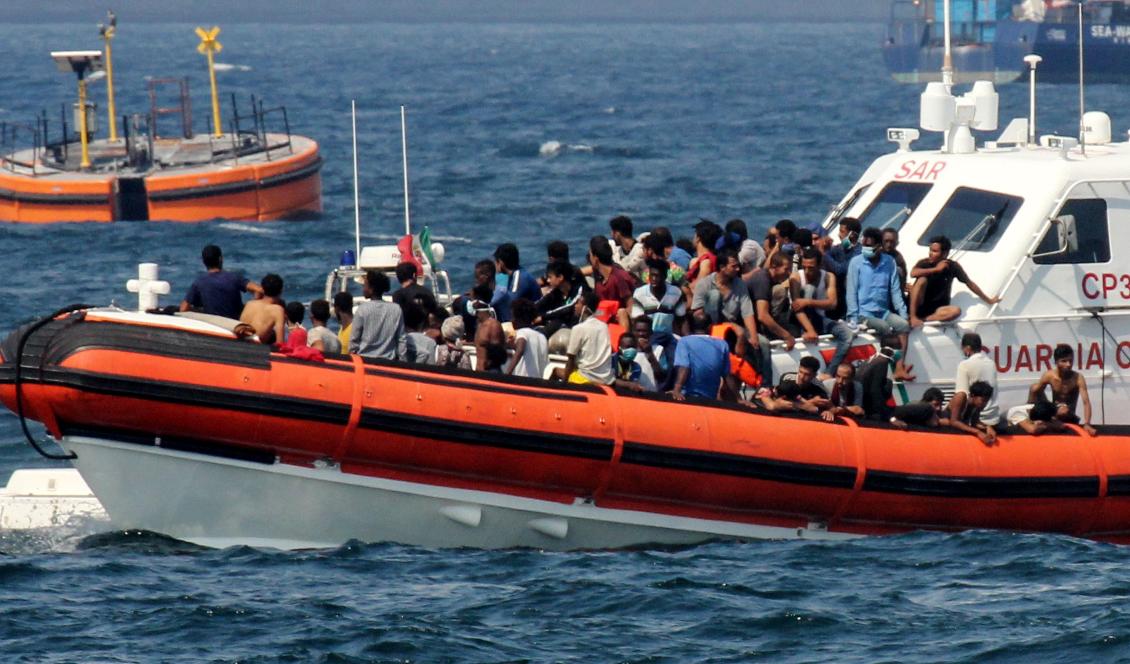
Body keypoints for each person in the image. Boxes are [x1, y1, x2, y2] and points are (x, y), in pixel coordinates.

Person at [909, 235, 1001, 327]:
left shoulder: (953, 266)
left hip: (938, 308)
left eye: (935, 251)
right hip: (921, 305)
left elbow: (969, 283)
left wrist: (989, 300)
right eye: (930, 250)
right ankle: (913, 317)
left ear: (945, 254)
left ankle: (924, 320)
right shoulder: (924, 263)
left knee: (956, 311)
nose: (930, 254)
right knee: (922, 280)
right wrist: (936, 269)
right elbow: (913, 273)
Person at [846, 227, 909, 353]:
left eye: (870, 246)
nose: (866, 249)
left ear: (879, 246)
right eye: (865, 245)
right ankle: (885, 359)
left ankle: (900, 363)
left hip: (883, 311)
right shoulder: (856, 262)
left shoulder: (889, 261)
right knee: (884, 327)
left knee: (903, 325)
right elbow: (851, 291)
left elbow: (895, 291)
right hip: (864, 313)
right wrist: (853, 317)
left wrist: (903, 313)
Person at [790, 247, 854, 372]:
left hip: (819, 318)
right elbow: (797, 307)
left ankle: (830, 371)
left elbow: (832, 303)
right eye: (805, 267)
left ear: (820, 265)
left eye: (811, 267)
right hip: (799, 319)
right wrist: (810, 330)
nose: (807, 271)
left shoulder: (828, 277)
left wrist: (808, 302)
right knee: (809, 289)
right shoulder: (796, 277)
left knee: (847, 335)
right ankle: (806, 332)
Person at [1027, 343, 1097, 435]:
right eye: (1064, 361)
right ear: (1056, 362)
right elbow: (1035, 393)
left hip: (1068, 414)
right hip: (1054, 411)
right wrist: (1031, 411)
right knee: (1034, 388)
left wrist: (1087, 423)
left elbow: (1086, 402)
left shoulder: (1078, 378)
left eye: (1070, 361)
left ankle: (1051, 422)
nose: (1068, 364)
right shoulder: (1049, 375)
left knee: (1063, 411)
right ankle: (1030, 419)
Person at [746, 252, 794, 385]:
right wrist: (786, 336)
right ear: (774, 266)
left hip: (754, 319)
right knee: (764, 344)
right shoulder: (763, 280)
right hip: (744, 323)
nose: (789, 273)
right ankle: (765, 385)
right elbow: (762, 315)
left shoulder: (770, 280)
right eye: (786, 269)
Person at [179, 244, 262, 319]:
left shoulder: (199, 282)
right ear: (221, 259)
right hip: (234, 322)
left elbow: (183, 309)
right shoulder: (234, 278)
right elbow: (259, 290)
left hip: (213, 324)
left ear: (203, 262)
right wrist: (251, 308)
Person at [671, 314, 738, 401]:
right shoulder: (722, 344)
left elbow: (684, 367)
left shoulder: (684, 342)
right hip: (710, 399)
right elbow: (727, 375)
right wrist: (739, 398)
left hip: (687, 397)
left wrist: (676, 390)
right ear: (710, 327)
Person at [559, 290, 614, 385]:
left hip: (586, 378)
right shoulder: (604, 326)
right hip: (605, 379)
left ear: (585, 308)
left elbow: (571, 360)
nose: (575, 306)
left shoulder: (578, 328)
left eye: (578, 303)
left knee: (554, 370)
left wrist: (565, 382)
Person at [949, 332, 1000, 433]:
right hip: (994, 418)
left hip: (976, 418)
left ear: (967, 348)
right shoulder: (991, 363)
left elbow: (961, 394)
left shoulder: (964, 365)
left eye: (962, 348)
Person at [350, 270, 407, 361]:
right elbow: (401, 339)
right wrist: (403, 363)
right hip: (388, 362)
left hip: (365, 361)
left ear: (371, 289)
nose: (363, 289)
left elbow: (354, 341)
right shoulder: (396, 309)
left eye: (365, 285)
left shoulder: (362, 310)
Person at [589, 235, 639, 330]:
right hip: (602, 320)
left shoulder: (619, 277)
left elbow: (631, 306)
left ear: (596, 258)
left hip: (618, 321)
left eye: (590, 254)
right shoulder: (599, 276)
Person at [631, 258, 687, 341]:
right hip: (648, 338)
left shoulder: (676, 293)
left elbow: (682, 320)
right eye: (651, 275)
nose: (653, 279)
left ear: (665, 276)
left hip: (668, 337)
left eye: (657, 276)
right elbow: (638, 321)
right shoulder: (639, 294)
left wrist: (686, 339)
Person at [820, 216, 861, 320]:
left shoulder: (858, 252)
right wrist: (825, 248)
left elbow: (840, 270)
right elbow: (828, 256)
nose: (839, 235)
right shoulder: (839, 248)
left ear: (852, 234)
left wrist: (823, 253)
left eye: (842, 232)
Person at [761, 356, 830, 414]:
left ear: (814, 375)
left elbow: (829, 407)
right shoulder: (787, 378)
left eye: (807, 374)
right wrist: (810, 402)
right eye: (800, 372)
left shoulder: (819, 387)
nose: (802, 377)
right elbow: (782, 402)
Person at [536, 260, 583, 337]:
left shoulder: (578, 289)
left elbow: (568, 307)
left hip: (571, 325)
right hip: (557, 322)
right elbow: (541, 303)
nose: (548, 280)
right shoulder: (555, 292)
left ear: (560, 277)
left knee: (557, 322)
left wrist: (543, 317)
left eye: (550, 277)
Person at [506, 298, 548, 379]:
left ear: (519, 318)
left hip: (522, 380)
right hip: (537, 382)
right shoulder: (542, 337)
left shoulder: (522, 332)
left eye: (513, 317)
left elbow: (520, 349)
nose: (512, 320)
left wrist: (507, 374)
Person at [240, 273, 286, 345]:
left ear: (262, 289)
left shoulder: (250, 304)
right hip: (256, 348)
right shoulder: (278, 310)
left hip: (239, 343)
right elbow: (280, 343)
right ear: (281, 291)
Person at [470, 284, 507, 372]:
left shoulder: (493, 325)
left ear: (477, 302)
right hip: (479, 373)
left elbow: (498, 354)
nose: (470, 302)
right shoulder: (479, 324)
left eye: (471, 299)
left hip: (490, 373)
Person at [949, 380, 997, 445]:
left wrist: (988, 427)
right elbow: (954, 421)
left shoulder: (978, 405)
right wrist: (978, 432)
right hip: (944, 429)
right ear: (973, 395)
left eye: (987, 401)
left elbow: (974, 423)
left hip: (957, 431)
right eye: (983, 400)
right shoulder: (961, 397)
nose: (984, 404)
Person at [633, 316, 672, 391]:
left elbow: (662, 377)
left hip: (651, 395)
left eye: (644, 331)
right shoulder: (629, 349)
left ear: (651, 332)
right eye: (638, 331)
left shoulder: (659, 350)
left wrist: (650, 353)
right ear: (633, 331)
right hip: (630, 395)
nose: (641, 334)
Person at [686, 219, 722, 290]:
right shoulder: (708, 258)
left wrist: (681, 281)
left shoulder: (706, 262)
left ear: (698, 238)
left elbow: (698, 289)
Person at [610, 215, 648, 279]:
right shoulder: (618, 251)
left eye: (613, 232)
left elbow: (646, 278)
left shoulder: (640, 251)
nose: (611, 235)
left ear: (618, 233)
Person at [881, 228, 909, 296]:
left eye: (892, 242)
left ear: (896, 243)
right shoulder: (874, 253)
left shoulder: (898, 259)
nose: (889, 244)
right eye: (886, 241)